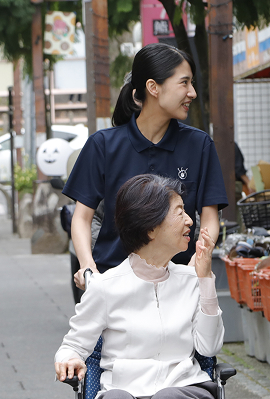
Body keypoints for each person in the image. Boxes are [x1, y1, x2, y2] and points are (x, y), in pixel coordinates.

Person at [55, 174, 223, 399]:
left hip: (186, 396)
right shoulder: (106, 287)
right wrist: (69, 357)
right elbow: (74, 343)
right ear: (150, 228)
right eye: (179, 212)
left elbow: (209, 346)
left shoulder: (191, 279)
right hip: (126, 396)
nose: (190, 220)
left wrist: (205, 281)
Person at [62, 43, 228, 289]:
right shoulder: (102, 145)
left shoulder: (199, 145)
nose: (192, 92)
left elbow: (210, 219)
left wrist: (198, 261)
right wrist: (87, 264)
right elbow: (82, 218)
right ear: (153, 87)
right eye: (184, 83)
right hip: (113, 285)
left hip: (180, 285)